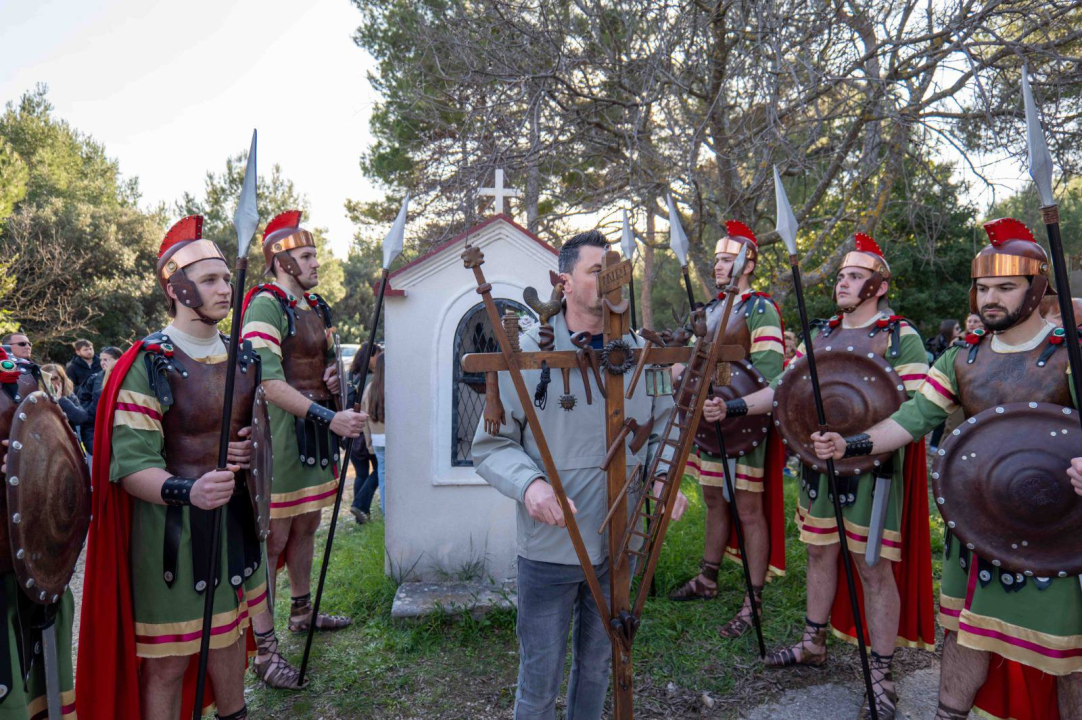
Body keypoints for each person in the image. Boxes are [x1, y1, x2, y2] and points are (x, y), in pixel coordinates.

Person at [814, 218, 1082, 720]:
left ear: (1037, 288)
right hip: (978, 524)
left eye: (1006, 287)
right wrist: (850, 445)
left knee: (1069, 656)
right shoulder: (963, 357)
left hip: (1057, 531)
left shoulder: (1072, 352)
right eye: (983, 288)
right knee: (962, 631)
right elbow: (912, 418)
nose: (990, 299)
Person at [707, 233, 935, 719]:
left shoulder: (899, 337)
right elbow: (783, 387)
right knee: (818, 552)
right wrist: (734, 407)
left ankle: (881, 674)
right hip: (819, 468)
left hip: (874, 473)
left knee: (873, 567)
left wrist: (859, 443)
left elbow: (916, 410)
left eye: (854, 276)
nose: (842, 283)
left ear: (878, 286)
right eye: (841, 276)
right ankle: (813, 643)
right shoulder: (822, 335)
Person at [472, 229, 689, 720]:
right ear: (563, 282)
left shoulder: (640, 353)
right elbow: (492, 445)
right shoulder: (524, 353)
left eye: (616, 272)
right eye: (597, 271)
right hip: (550, 548)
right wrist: (531, 485)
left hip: (618, 546)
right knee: (539, 682)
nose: (611, 281)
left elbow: (661, 430)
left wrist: (662, 477)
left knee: (597, 670)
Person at [76, 215, 266, 720]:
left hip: (234, 525)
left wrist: (252, 453)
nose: (225, 289)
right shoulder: (148, 362)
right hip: (171, 535)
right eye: (210, 280)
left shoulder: (244, 357)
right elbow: (130, 467)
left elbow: (257, 437)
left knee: (231, 638)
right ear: (177, 288)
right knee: (169, 662)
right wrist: (190, 490)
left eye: (225, 278)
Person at [240, 210, 366, 688]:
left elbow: (325, 364)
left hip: (315, 430)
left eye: (314, 254)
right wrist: (330, 417)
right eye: (307, 256)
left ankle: (301, 611)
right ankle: (264, 648)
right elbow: (268, 383)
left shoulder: (316, 305)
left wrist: (334, 379)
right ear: (282, 261)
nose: (316, 263)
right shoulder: (264, 306)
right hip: (280, 433)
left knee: (308, 523)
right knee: (273, 536)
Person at [668, 221, 788, 641]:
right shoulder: (713, 308)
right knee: (714, 499)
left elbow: (771, 377)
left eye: (726, 260)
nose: (717, 266)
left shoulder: (761, 309)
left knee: (749, 509)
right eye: (716, 260)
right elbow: (691, 362)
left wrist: (733, 407)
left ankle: (753, 601)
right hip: (709, 420)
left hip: (744, 424)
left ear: (747, 264)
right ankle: (708, 578)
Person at [0, 345, 79, 718]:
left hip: (33, 563)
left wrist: (37, 459)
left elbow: (60, 448)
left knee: (41, 694)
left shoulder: (24, 374)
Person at [348, 343, 379, 524]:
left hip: (351, 433)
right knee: (379, 470)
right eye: (377, 355)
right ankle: (360, 505)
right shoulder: (372, 380)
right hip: (368, 431)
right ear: (370, 356)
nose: (378, 359)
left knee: (361, 474)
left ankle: (360, 518)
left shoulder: (349, 376)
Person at [925, 320, 961, 450]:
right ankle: (934, 445)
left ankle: (936, 445)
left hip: (949, 382)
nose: (959, 331)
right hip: (937, 381)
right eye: (957, 328)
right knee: (942, 414)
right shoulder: (934, 343)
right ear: (949, 329)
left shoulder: (960, 341)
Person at [80, 346, 121, 457]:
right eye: (101, 360)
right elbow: (83, 400)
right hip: (96, 428)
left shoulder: (128, 379)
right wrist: (90, 411)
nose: (102, 363)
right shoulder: (93, 379)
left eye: (106, 360)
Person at [360, 352, 387, 516]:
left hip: (377, 439)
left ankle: (386, 513)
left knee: (383, 475)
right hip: (395, 439)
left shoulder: (370, 388)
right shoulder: (395, 386)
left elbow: (364, 418)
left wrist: (369, 443)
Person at [41, 363, 90, 430]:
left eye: (54, 378)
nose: (50, 382)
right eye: (46, 378)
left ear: (62, 380)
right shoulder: (36, 396)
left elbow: (81, 418)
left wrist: (61, 400)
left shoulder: (68, 395)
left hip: (65, 434)